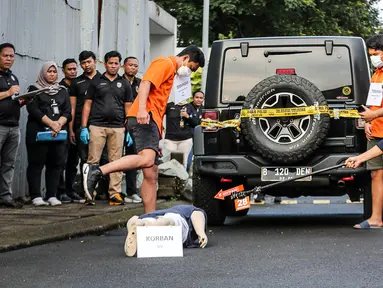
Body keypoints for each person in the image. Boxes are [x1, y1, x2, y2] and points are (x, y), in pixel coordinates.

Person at [82, 45, 205, 213]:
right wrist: (141, 109)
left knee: (151, 174)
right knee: (146, 160)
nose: (190, 73)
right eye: (192, 68)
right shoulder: (165, 63)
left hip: (151, 120)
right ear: (185, 59)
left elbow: (158, 103)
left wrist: (157, 141)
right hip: (145, 117)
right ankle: (97, 171)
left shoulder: (170, 71)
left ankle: (150, 217)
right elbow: (146, 83)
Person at [80, 50, 133, 206]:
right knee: (92, 161)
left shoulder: (125, 84)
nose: (113, 66)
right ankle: (90, 193)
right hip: (97, 126)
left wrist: (129, 128)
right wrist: (84, 127)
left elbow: (128, 107)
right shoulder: (96, 81)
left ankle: (114, 193)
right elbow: (87, 105)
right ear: (105, 64)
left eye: (116, 63)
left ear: (120, 65)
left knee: (116, 161)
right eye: (110, 63)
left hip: (117, 128)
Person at [346, 34, 383, 229]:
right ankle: (376, 217)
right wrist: (369, 120)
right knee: (376, 174)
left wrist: (375, 115)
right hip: (376, 130)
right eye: (371, 54)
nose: (373, 57)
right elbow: (373, 101)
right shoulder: (377, 73)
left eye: (376, 53)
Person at [26, 61, 72, 206]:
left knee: (56, 164)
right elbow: (33, 110)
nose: (52, 74)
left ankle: (52, 195)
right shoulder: (34, 89)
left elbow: (67, 111)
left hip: (57, 133)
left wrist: (58, 124)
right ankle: (36, 196)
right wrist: (51, 123)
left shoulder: (62, 90)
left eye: (54, 72)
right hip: (38, 132)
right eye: (49, 71)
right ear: (43, 73)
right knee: (36, 164)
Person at [69, 51, 109, 203]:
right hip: (82, 126)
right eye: (83, 63)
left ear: (95, 62)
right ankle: (87, 193)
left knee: (104, 159)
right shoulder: (76, 82)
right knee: (85, 159)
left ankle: (104, 192)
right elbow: (72, 107)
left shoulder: (104, 79)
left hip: (101, 125)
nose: (87, 65)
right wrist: (72, 129)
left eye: (89, 62)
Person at [124, 205, 208, 257]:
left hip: (150, 216)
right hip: (177, 221)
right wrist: (200, 232)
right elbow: (197, 214)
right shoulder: (190, 209)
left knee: (144, 220)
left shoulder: (169, 210)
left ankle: (138, 223)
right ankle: (140, 225)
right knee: (168, 223)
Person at [57, 58, 83, 203]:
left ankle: (70, 189)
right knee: (61, 161)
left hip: (77, 127)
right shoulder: (60, 87)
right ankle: (60, 191)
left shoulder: (79, 85)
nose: (73, 72)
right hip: (62, 128)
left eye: (74, 69)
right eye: (69, 69)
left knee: (73, 161)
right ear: (63, 71)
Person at [0, 43, 23, 208]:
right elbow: (7, 96)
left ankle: (5, 197)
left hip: (13, 126)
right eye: (5, 55)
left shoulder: (13, 77)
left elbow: (12, 101)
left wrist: (23, 101)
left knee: (9, 164)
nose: (9, 59)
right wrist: (8, 93)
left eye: (11, 56)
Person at [122, 56, 142, 204]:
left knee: (132, 159)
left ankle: (131, 191)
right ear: (124, 66)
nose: (133, 68)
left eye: (136, 66)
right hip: (116, 124)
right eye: (130, 65)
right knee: (112, 159)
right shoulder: (118, 82)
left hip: (134, 127)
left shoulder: (140, 84)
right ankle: (110, 191)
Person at [163, 101, 195, 168]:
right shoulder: (169, 105)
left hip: (185, 139)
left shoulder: (189, 106)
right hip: (170, 139)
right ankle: (171, 177)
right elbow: (159, 115)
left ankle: (182, 178)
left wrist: (187, 116)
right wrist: (162, 128)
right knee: (169, 161)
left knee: (183, 162)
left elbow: (195, 123)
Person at [185, 90, 205, 173]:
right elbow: (196, 123)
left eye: (201, 98)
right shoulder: (187, 107)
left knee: (199, 160)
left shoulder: (204, 109)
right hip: (188, 138)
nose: (199, 100)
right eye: (197, 97)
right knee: (187, 161)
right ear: (193, 98)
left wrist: (188, 117)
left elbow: (198, 123)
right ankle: (184, 177)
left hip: (200, 138)